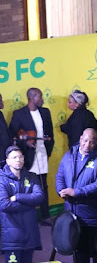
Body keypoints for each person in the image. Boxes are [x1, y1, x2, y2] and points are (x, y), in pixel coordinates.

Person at [55, 128, 97, 263]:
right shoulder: (69, 155)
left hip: (91, 214)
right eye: (85, 141)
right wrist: (61, 190)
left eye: (92, 142)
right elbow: (60, 174)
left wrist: (77, 192)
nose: (87, 145)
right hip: (72, 214)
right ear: (80, 139)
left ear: (96, 142)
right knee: (79, 250)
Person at [0, 146, 43, 263]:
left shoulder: (31, 177)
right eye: (14, 157)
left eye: (20, 156)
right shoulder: (2, 180)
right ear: (8, 161)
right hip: (12, 237)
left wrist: (17, 197)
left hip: (30, 235)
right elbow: (4, 205)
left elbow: (39, 197)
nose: (18, 159)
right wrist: (28, 203)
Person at [9, 88, 54, 220]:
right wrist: (26, 144)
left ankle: (46, 216)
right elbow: (13, 135)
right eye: (40, 97)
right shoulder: (19, 114)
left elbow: (49, 133)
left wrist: (48, 145)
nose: (42, 99)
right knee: (27, 187)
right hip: (28, 156)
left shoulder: (45, 112)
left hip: (42, 154)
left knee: (43, 185)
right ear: (31, 98)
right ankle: (28, 217)